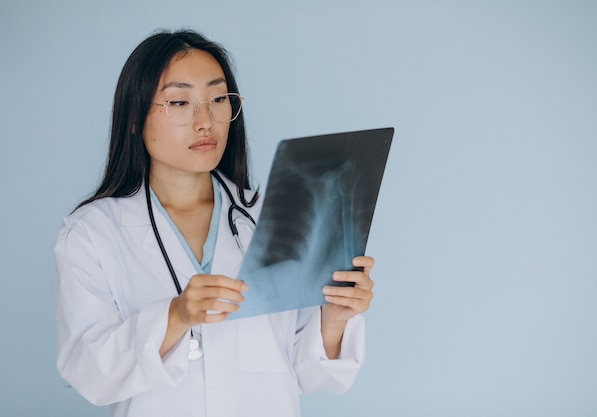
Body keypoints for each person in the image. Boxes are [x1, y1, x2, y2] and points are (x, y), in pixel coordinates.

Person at [54, 29, 375, 417]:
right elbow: (88, 371)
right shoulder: (92, 233)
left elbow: (307, 372)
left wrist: (335, 318)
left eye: (218, 98)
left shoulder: (266, 214)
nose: (205, 120)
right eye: (179, 101)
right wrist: (175, 316)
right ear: (134, 119)